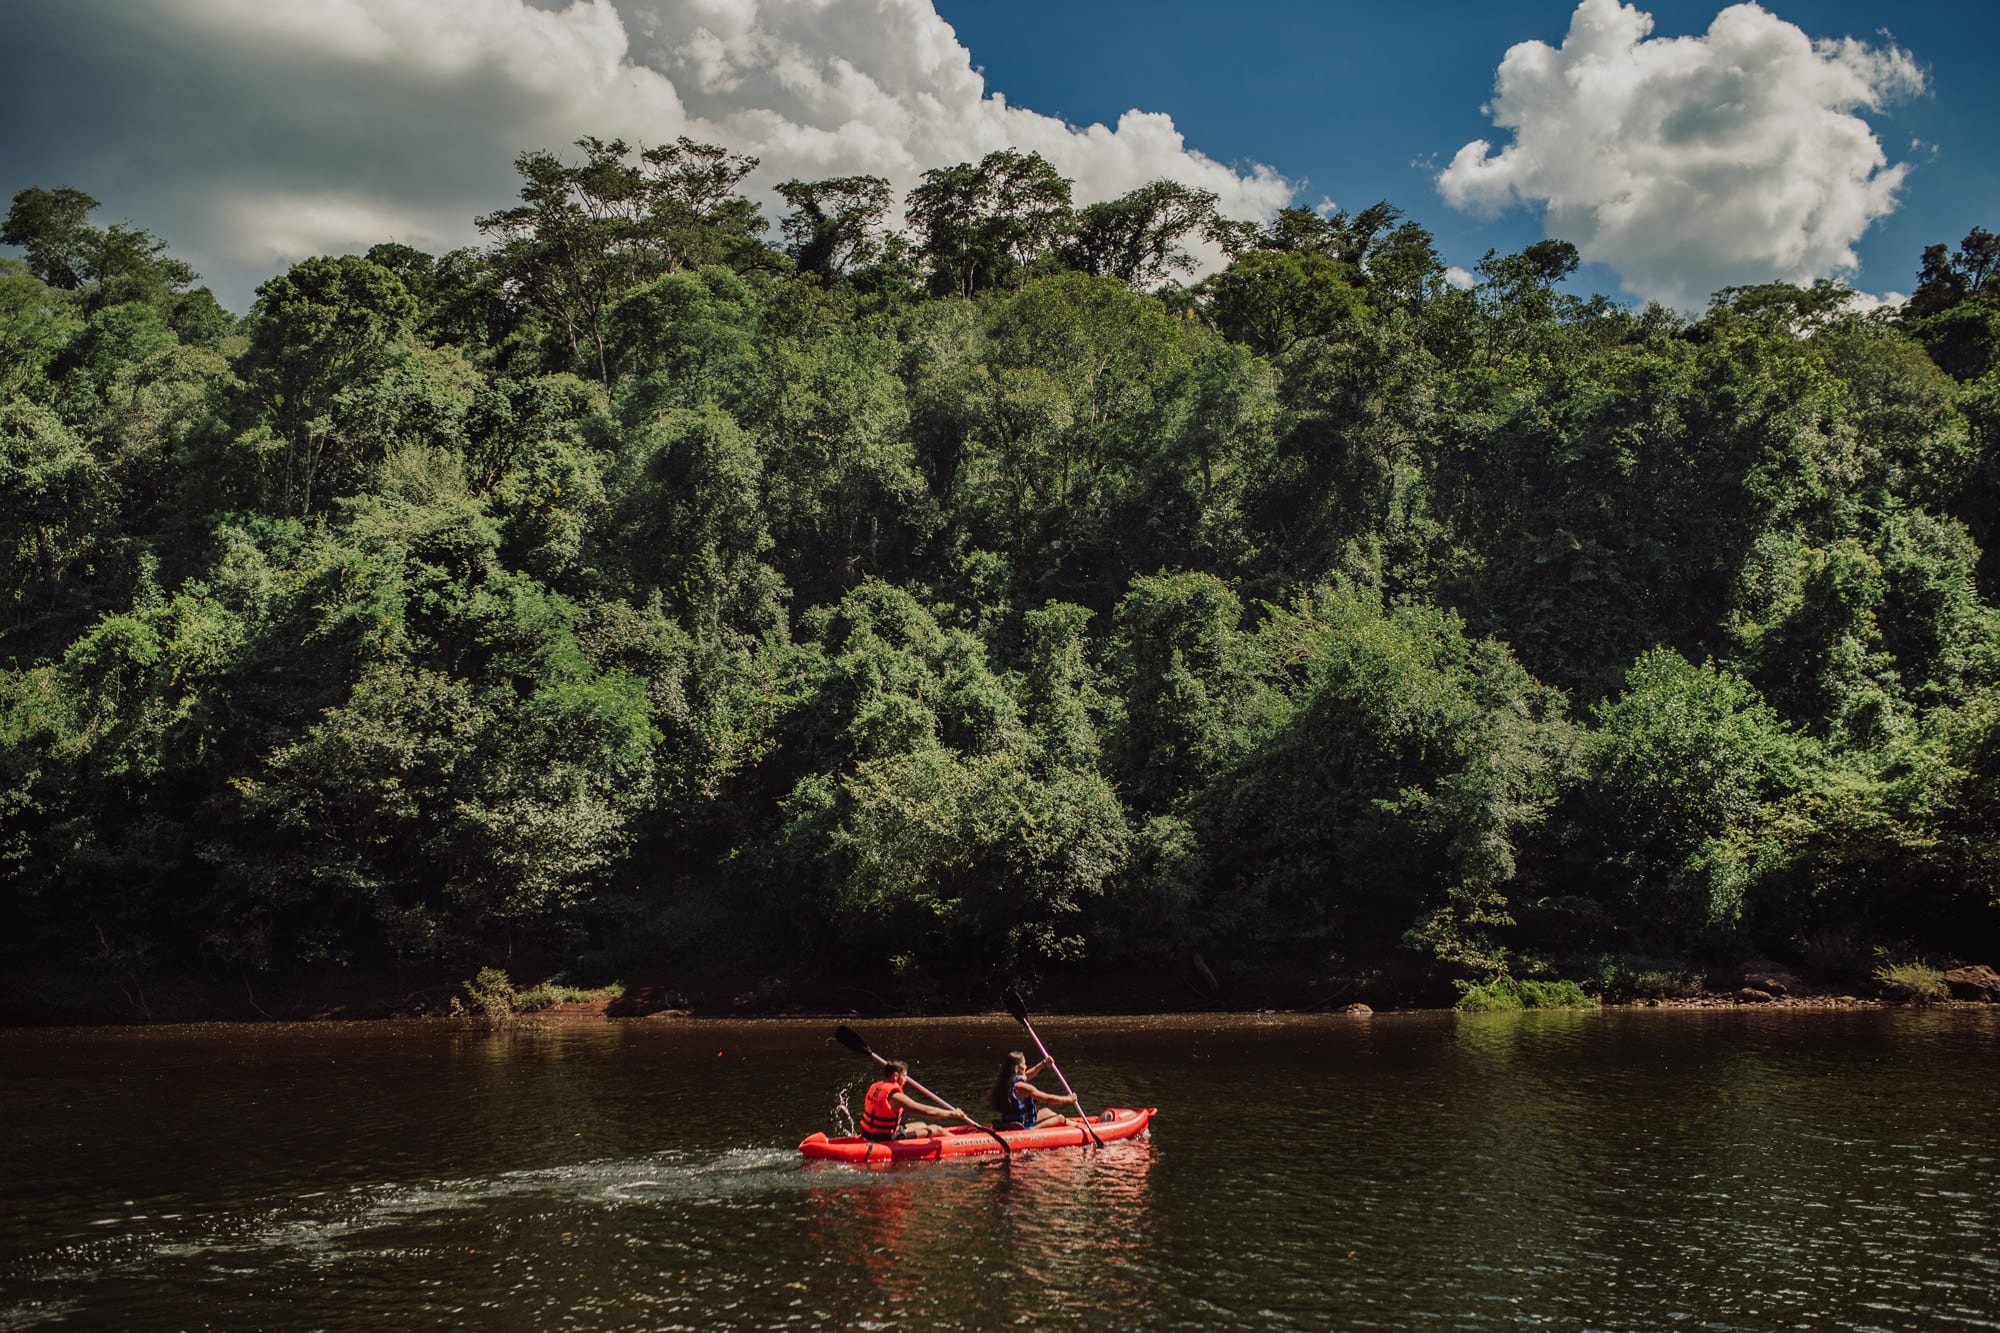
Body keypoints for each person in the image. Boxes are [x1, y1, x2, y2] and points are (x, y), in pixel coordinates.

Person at [859, 1060, 961, 1142]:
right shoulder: (896, 1097)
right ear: (895, 1076)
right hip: (886, 1138)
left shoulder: (875, 1087)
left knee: (922, 1125)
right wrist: (952, 1114)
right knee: (937, 1129)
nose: (906, 1080)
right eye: (904, 1076)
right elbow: (926, 1111)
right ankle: (960, 1143)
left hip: (868, 1133)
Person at [987, 1049, 1078, 1130]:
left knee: (1046, 1111)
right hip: (1024, 1127)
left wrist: (1043, 1064)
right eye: (1024, 1064)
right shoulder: (1023, 1087)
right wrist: (1069, 1099)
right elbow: (1048, 1099)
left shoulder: (1006, 1082)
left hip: (1010, 1122)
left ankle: (1077, 1125)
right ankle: (1079, 1128)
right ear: (1017, 1068)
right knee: (1060, 1118)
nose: (1026, 1066)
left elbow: (1027, 1075)